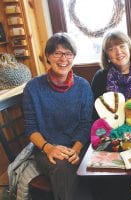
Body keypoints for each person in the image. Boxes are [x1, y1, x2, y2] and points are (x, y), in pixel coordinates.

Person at [22, 33, 93, 200]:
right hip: (46, 147)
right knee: (63, 168)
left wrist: (75, 150)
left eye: (68, 54)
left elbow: (86, 124)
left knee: (95, 170)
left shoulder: (83, 86)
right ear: (48, 56)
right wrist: (49, 148)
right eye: (57, 53)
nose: (63, 59)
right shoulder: (33, 88)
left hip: (78, 145)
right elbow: (31, 127)